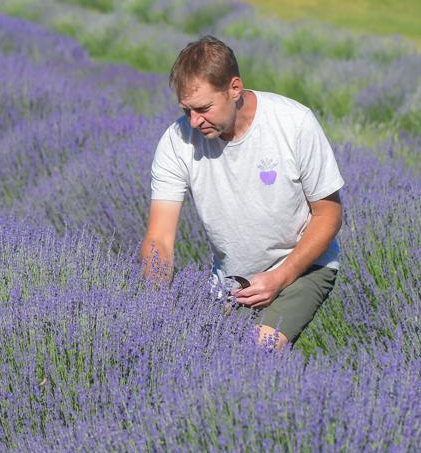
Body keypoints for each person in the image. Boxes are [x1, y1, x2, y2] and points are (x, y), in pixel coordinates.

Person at [140, 36, 344, 350]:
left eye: (203, 108)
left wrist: (281, 276)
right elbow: (160, 239)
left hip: (303, 266)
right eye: (186, 110)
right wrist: (154, 309)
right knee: (195, 359)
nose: (194, 121)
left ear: (234, 88)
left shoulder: (293, 123)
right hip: (231, 280)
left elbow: (329, 213)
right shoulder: (176, 141)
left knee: (255, 354)